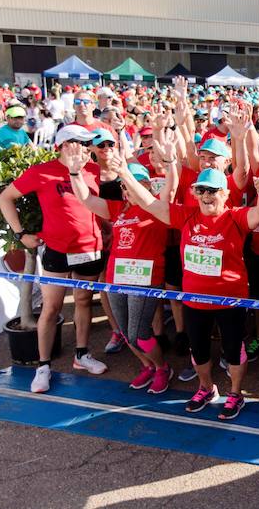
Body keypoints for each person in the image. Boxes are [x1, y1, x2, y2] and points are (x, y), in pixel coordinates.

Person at [119, 163, 259, 420]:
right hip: (194, 301)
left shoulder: (234, 217)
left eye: (213, 190)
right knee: (199, 350)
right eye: (201, 190)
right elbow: (148, 202)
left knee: (234, 351)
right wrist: (124, 173)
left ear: (225, 193)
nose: (206, 195)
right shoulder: (187, 215)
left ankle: (235, 393)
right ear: (194, 193)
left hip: (230, 301)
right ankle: (206, 388)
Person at [0, 125, 108, 393]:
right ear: (62, 144)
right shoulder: (40, 171)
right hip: (57, 249)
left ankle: (82, 355)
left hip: (90, 247)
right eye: (77, 142)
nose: (83, 147)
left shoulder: (92, 169)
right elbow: (5, 198)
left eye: (85, 143)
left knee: (83, 301)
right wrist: (21, 233)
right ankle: (43, 366)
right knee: (51, 307)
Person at [67, 152, 173, 394]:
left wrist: (169, 162)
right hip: (117, 278)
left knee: (138, 333)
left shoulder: (157, 207)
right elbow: (86, 199)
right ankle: (147, 366)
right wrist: (74, 173)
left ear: (146, 185)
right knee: (126, 331)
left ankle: (162, 367)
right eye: (125, 186)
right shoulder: (117, 209)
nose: (128, 190)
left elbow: (172, 184)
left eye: (134, 184)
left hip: (145, 280)